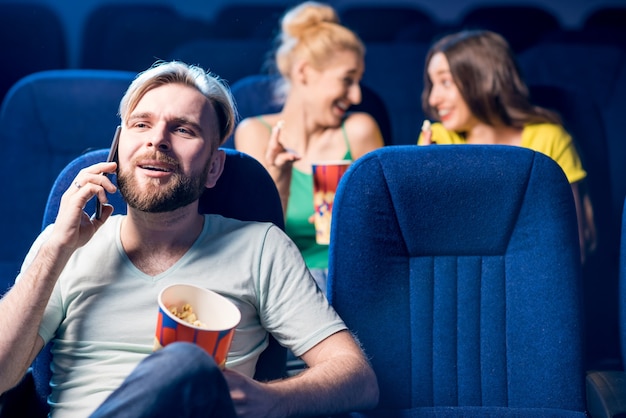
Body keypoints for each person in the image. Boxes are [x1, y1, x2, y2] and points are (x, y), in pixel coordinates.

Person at [0, 60, 378, 417]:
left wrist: (274, 399)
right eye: (141, 125)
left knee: (188, 361)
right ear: (119, 147)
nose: (157, 140)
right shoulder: (61, 247)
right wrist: (56, 247)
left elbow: (358, 379)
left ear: (213, 167)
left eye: (183, 129)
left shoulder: (261, 247)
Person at [234, 1, 384, 292]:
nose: (355, 96)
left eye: (358, 82)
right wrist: (280, 178)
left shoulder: (359, 129)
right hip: (286, 284)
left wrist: (350, 218)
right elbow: (257, 238)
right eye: (347, 80)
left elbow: (381, 229)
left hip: (354, 280)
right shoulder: (255, 133)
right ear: (304, 72)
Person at [417, 29, 596, 263]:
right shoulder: (438, 140)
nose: (433, 99)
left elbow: (574, 245)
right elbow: (428, 247)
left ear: (484, 80)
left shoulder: (548, 138)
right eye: (432, 84)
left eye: (446, 82)